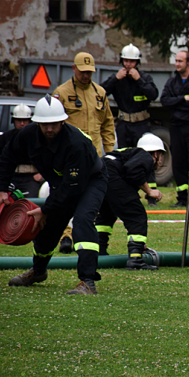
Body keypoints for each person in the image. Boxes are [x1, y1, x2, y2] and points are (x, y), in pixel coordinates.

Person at [0, 95, 108, 295]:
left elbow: (72, 189)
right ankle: (38, 271)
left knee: (83, 221)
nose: (49, 129)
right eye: (45, 124)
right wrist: (2, 188)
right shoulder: (27, 135)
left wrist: (46, 208)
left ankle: (87, 282)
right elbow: (7, 156)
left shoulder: (76, 144)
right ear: (37, 123)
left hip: (91, 180)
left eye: (54, 124)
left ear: (63, 121)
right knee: (47, 227)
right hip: (64, 184)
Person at [53, 52, 115, 253]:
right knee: (68, 196)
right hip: (70, 158)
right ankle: (65, 236)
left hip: (94, 158)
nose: (86, 76)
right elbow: (54, 127)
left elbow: (107, 123)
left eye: (89, 72)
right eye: (82, 72)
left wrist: (110, 151)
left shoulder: (100, 93)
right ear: (74, 68)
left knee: (90, 199)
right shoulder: (61, 93)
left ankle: (82, 236)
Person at [95, 133, 165, 270]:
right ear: (156, 154)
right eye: (161, 155)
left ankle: (100, 253)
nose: (161, 160)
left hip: (100, 175)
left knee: (106, 216)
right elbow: (133, 170)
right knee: (136, 216)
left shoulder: (130, 153)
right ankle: (135, 259)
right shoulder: (145, 156)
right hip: (111, 176)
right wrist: (149, 191)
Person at [161, 50, 189, 207]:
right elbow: (164, 101)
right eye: (176, 61)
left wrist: (177, 105)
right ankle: (182, 198)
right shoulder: (171, 82)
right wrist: (183, 99)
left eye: (180, 61)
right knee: (178, 162)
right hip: (176, 128)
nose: (177, 64)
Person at [101, 43, 159, 148]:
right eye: (126, 61)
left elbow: (153, 95)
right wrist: (115, 79)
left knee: (140, 156)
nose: (128, 64)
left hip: (141, 125)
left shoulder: (145, 77)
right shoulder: (117, 78)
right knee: (123, 155)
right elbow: (100, 93)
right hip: (123, 124)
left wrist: (139, 80)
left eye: (132, 61)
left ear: (137, 62)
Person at [0, 104, 44, 198]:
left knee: (30, 201)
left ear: (30, 121)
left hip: (30, 178)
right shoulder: (6, 137)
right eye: (19, 120)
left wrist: (42, 174)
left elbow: (50, 158)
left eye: (25, 120)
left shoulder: (38, 138)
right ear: (13, 121)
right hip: (10, 176)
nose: (22, 123)